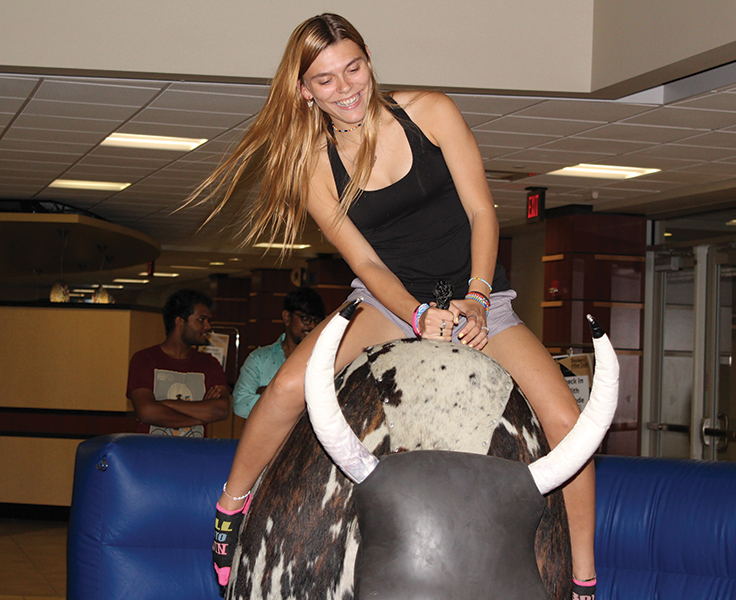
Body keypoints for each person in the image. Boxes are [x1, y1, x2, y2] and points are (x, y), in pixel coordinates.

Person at [195, 14, 597, 599]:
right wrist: (414, 315)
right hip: (386, 300)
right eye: (326, 79)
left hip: (477, 293)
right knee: (286, 390)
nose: (346, 87)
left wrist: (479, 300)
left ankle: (584, 573)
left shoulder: (430, 112)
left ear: (368, 61)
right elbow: (368, 265)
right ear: (304, 90)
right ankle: (231, 509)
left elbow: (484, 213)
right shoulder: (312, 164)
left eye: (353, 68)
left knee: (568, 425)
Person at [127, 289, 230, 437]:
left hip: (195, 454)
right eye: (201, 319)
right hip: (152, 453)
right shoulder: (145, 359)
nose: (207, 326)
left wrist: (166, 403)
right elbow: (147, 412)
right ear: (179, 322)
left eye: (208, 320)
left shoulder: (209, 364)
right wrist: (200, 416)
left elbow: (221, 410)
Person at [232, 287, 326, 418]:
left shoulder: (327, 360)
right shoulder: (259, 359)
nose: (311, 326)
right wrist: (300, 400)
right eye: (305, 318)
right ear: (287, 317)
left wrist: (269, 394)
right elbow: (241, 405)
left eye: (317, 320)